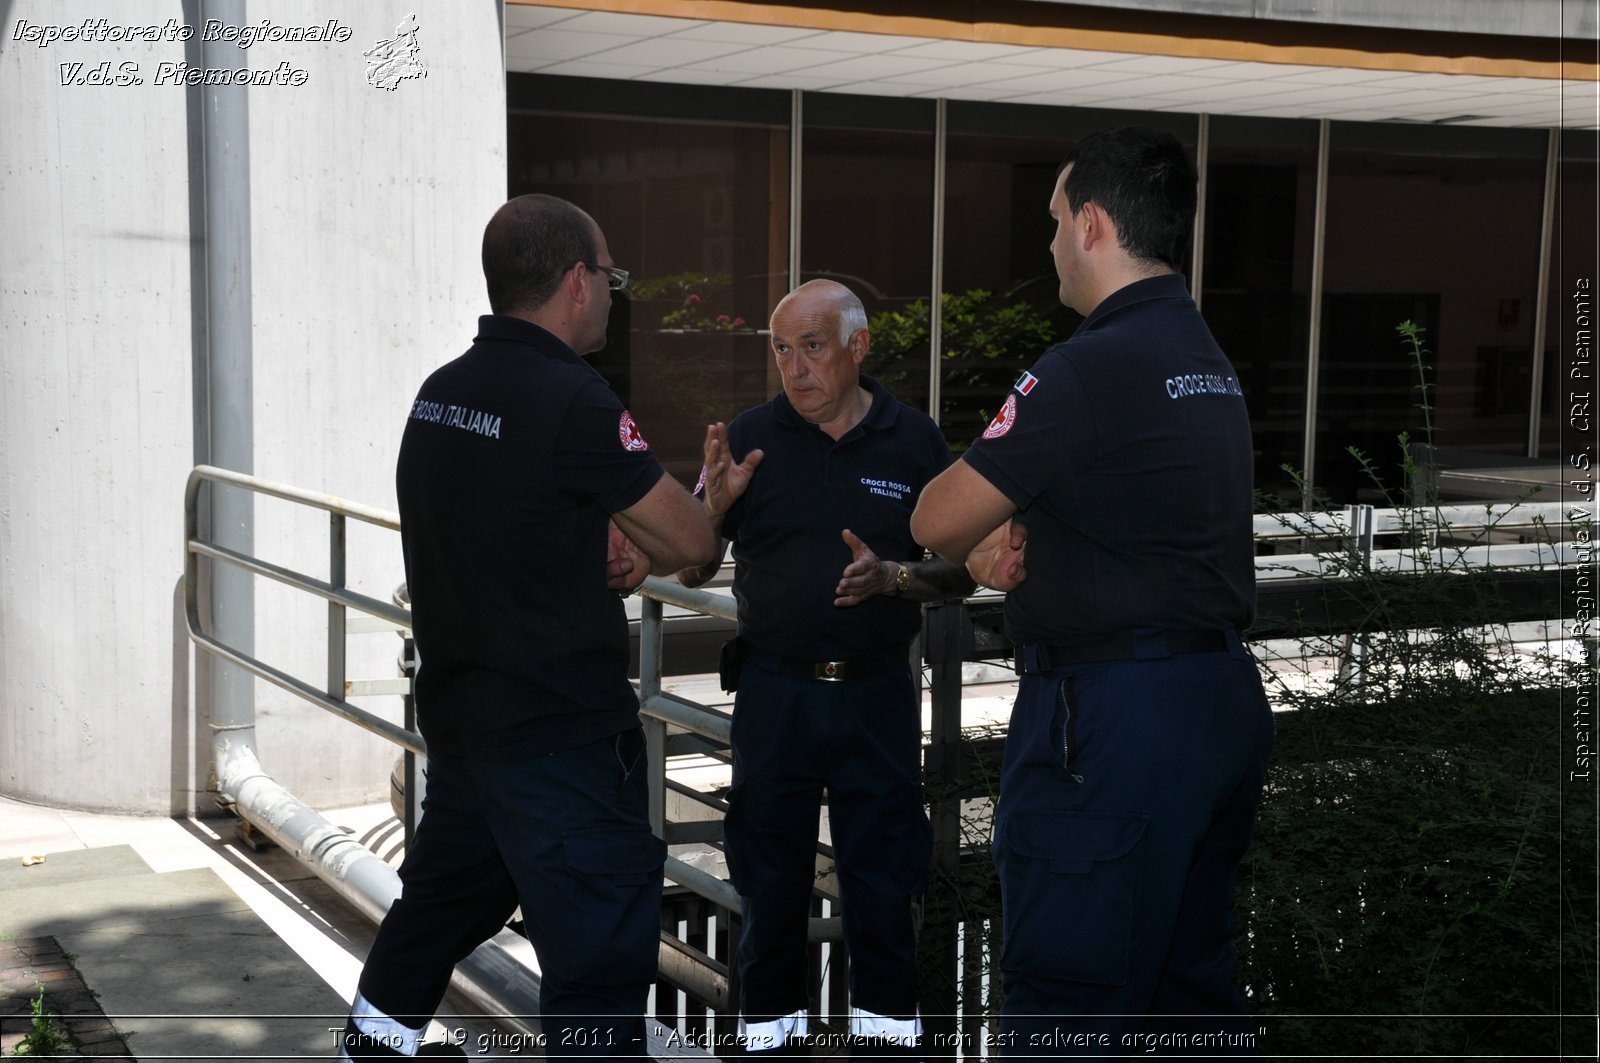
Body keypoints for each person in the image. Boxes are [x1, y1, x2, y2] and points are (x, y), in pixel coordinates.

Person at [911, 127, 1274, 1053]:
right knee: (1183, 999)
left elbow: (935, 518)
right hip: (1213, 703)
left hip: (1111, 720)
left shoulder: (1086, 365)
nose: (1048, 243)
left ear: (1095, 224)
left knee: (1069, 1001)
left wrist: (986, 539)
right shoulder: (1204, 354)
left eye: (1054, 221)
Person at [337, 194, 715, 1060]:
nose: (616, 296)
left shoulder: (443, 391)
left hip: (469, 734)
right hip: (560, 749)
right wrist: (702, 509)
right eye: (612, 277)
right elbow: (692, 541)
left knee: (429, 922)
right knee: (596, 974)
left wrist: (601, 545)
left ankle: (369, 1049)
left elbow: (499, 528)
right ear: (578, 282)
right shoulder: (571, 399)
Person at [678, 280, 974, 1057]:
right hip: (775, 693)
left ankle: (887, 1041)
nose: (794, 366)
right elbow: (689, 569)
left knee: (882, 885)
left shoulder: (913, 441)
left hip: (874, 693)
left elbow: (962, 569)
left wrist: (893, 577)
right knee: (768, 888)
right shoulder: (748, 436)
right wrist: (710, 512)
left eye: (811, 345)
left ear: (858, 346)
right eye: (781, 348)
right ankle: (772, 1040)